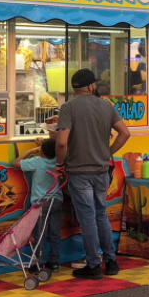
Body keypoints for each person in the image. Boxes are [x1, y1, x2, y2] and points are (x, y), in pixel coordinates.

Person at [56, 68, 130, 279]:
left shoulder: (68, 108)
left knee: (87, 218)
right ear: (91, 87)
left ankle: (94, 265)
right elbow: (125, 133)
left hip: (79, 173)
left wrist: (60, 163)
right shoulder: (105, 106)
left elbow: (61, 142)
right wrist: (108, 152)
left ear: (75, 88)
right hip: (102, 171)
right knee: (100, 214)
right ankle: (111, 261)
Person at [13, 139, 62, 272]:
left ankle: (37, 263)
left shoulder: (37, 161)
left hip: (41, 203)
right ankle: (54, 263)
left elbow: (15, 163)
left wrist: (31, 151)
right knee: (55, 233)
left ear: (41, 151)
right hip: (56, 201)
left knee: (40, 234)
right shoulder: (59, 160)